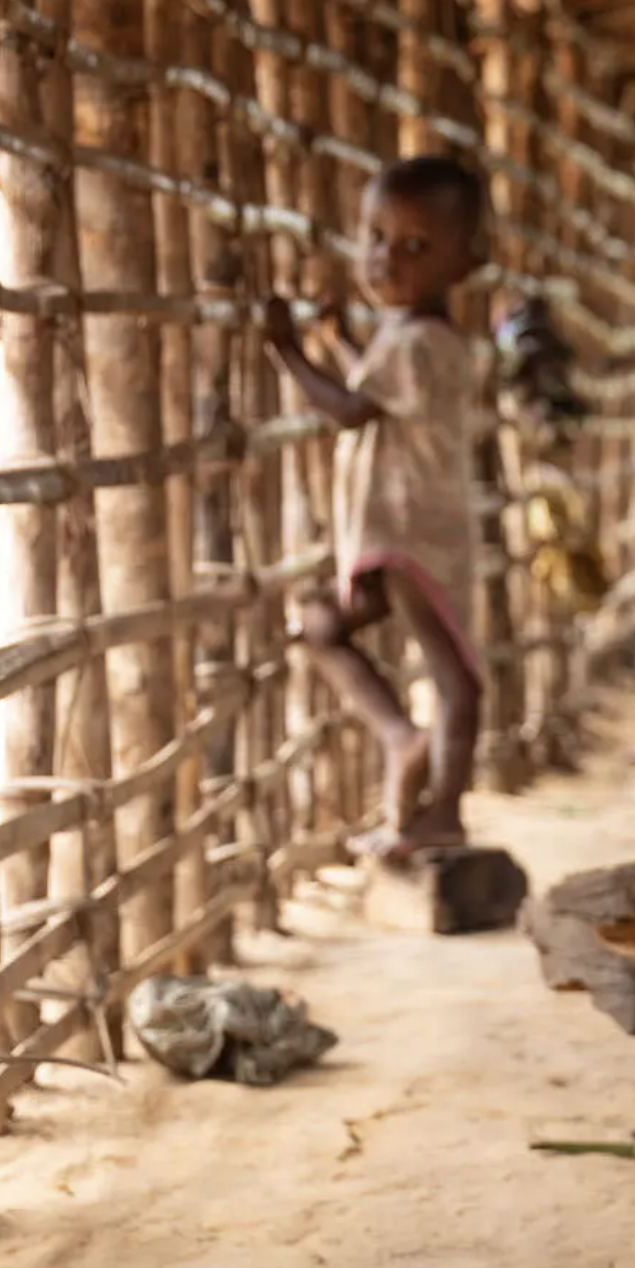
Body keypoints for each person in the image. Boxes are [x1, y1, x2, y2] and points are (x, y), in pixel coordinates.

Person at [266, 154, 489, 860]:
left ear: (467, 261)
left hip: (409, 532)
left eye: (416, 246)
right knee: (322, 628)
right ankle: (402, 740)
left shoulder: (420, 342)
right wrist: (340, 340)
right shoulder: (414, 338)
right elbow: (379, 391)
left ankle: (442, 809)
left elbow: (353, 409)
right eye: (376, 237)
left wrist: (288, 352)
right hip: (401, 529)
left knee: (454, 677)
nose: (388, 257)